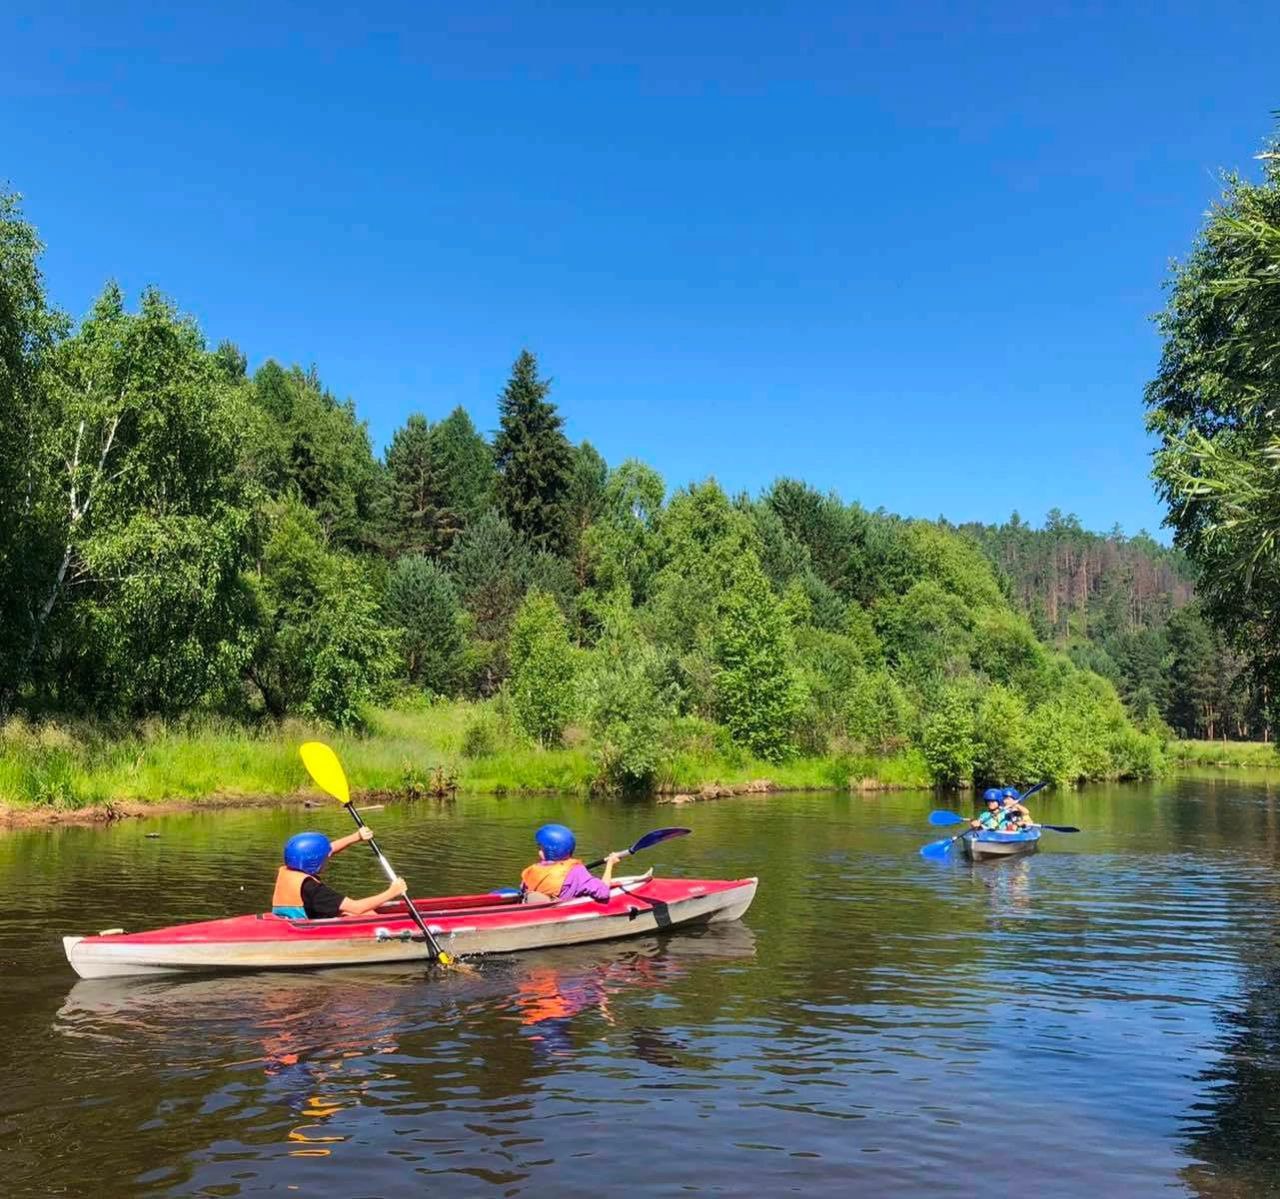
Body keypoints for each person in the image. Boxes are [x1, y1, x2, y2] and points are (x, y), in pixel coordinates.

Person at [272, 829, 408, 919]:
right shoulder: (313, 889)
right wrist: (393, 891)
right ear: (315, 862)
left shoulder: (291, 869)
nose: (328, 857)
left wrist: (357, 836)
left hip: (290, 919)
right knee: (367, 914)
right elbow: (357, 908)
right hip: (305, 929)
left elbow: (330, 849)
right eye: (325, 857)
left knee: (361, 912)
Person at [520, 823, 623, 903]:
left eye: (540, 848)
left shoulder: (533, 870)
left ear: (549, 851)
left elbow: (523, 889)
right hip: (558, 912)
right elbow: (603, 892)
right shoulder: (577, 872)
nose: (538, 851)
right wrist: (610, 864)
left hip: (538, 908)